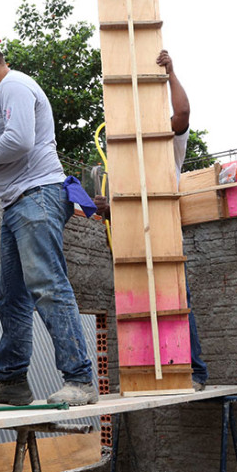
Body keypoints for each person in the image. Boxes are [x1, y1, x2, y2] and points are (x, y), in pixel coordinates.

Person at [0, 26, 99, 406]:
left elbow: (20, 140)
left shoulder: (13, 85)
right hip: (18, 202)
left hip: (37, 197)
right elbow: (9, 142)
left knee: (47, 284)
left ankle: (79, 379)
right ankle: (12, 381)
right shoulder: (3, 93)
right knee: (11, 295)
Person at [94, 49, 209, 391]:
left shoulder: (168, 139)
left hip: (163, 230)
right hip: (133, 236)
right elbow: (128, 204)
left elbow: (184, 112)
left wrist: (171, 73)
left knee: (174, 300)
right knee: (139, 309)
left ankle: (196, 372)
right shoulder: (126, 155)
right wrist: (107, 209)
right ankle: (144, 376)